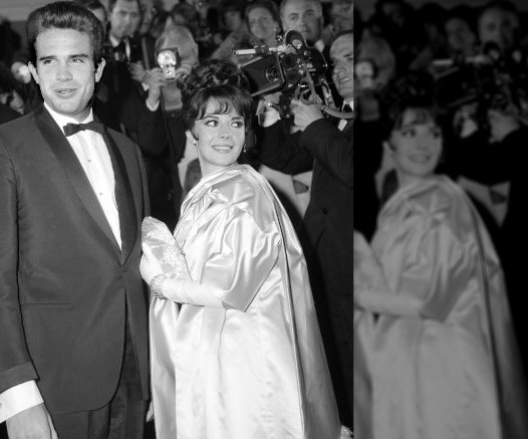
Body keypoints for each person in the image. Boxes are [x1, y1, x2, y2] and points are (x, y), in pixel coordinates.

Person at [0, 2, 149, 438]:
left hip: (135, 374)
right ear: (33, 69)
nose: (63, 76)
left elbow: (135, 269)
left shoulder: (129, 151)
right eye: (49, 61)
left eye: (77, 60)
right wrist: (16, 395)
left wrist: (155, 368)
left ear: (99, 68)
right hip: (52, 382)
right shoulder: (2, 146)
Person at [140, 59, 343, 439]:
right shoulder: (211, 189)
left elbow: (227, 288)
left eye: (235, 123)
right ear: (192, 130)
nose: (225, 134)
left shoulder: (244, 193)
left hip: (243, 364)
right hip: (218, 356)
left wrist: (160, 281)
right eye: (212, 122)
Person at [354, 94, 528, 438]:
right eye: (410, 132)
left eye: (433, 133)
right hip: (417, 365)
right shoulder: (409, 200)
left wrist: (357, 273)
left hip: (442, 373)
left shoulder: (440, 201)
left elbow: (427, 298)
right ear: (389, 140)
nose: (423, 144)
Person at [257, 29, 354, 427]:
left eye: (353, 59)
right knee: (339, 353)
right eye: (338, 62)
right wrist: (268, 117)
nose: (343, 69)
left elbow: (350, 166)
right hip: (328, 257)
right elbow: (285, 157)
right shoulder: (339, 115)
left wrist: (316, 126)